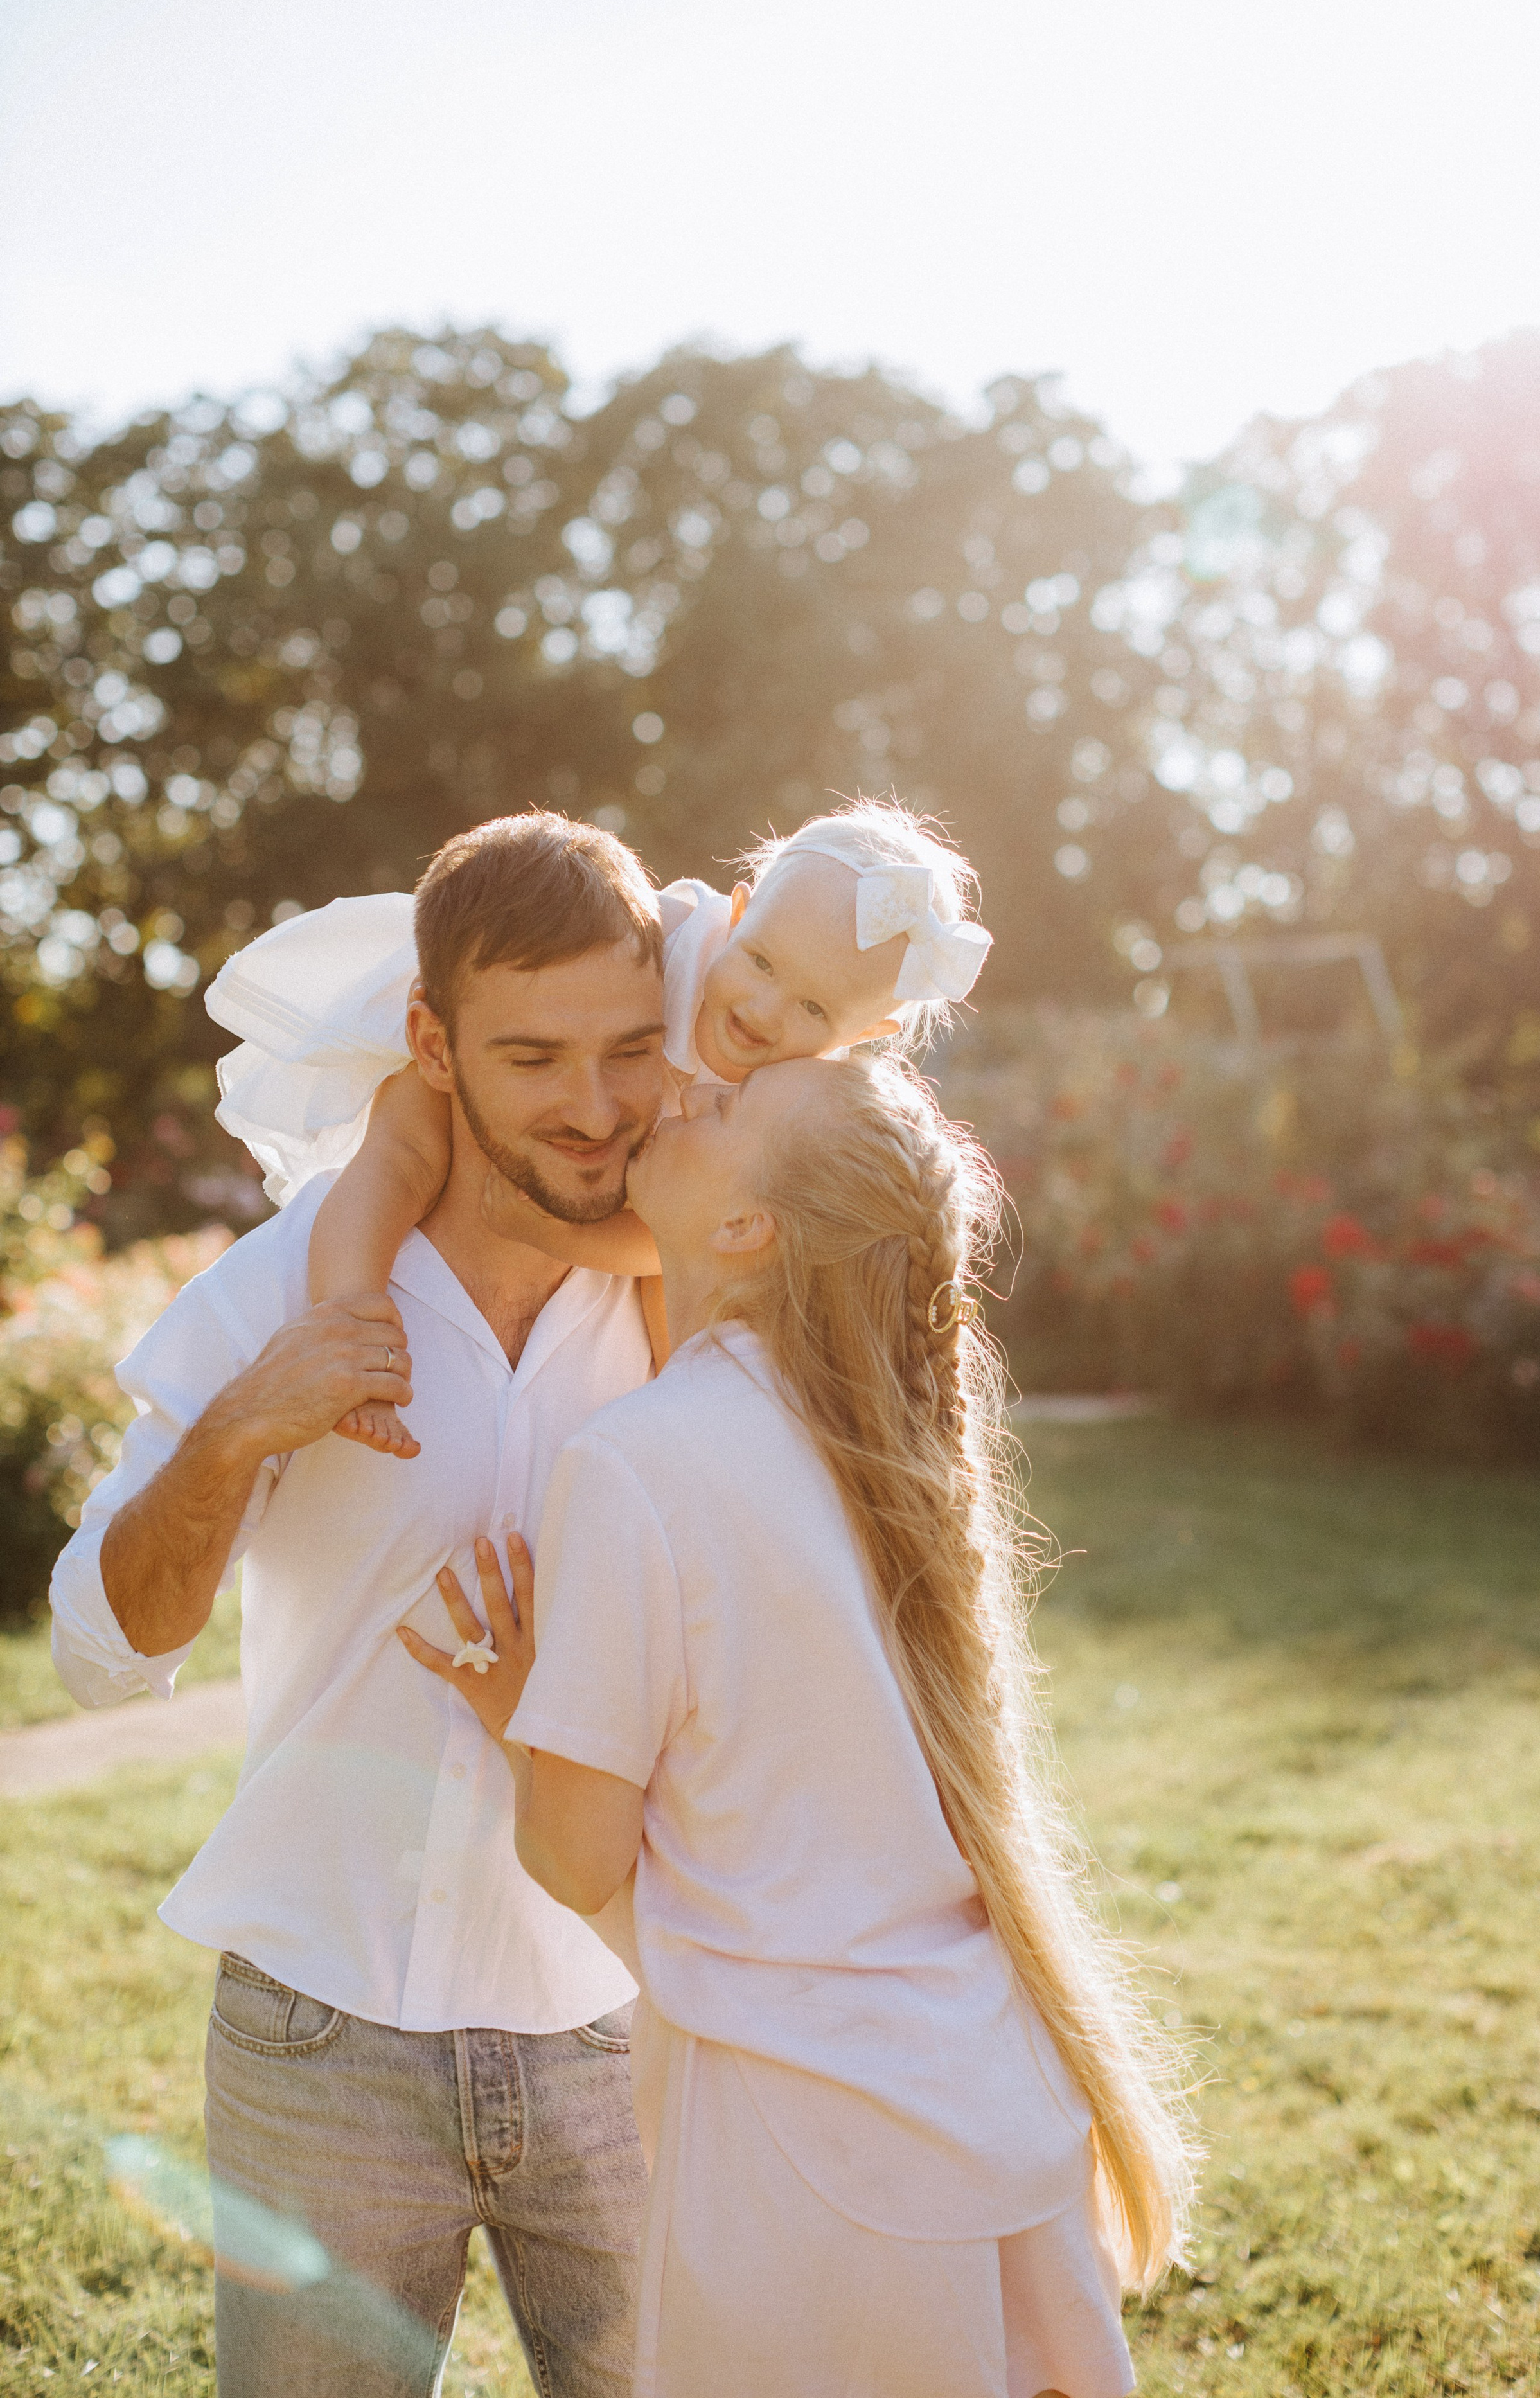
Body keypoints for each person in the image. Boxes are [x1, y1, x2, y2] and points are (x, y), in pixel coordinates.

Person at [404, 1054, 1196, 2398]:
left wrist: (516, 1704)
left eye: (721, 1109)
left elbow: (577, 1861)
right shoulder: (897, 1455)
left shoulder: (639, 1462)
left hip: (802, 2159)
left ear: (744, 1230)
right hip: (992, 2099)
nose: (677, 1092)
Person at [49, 813, 675, 2398]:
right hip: (318, 2034)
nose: (593, 1107)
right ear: (431, 1046)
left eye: (627, 1050)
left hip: (629, 2013)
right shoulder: (285, 1288)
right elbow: (97, 1655)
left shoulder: (697, 1283)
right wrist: (235, 1429)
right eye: (531, 1055)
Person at [205, 799, 992, 1455]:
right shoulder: (670, 938)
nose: (763, 1010)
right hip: (526, 1057)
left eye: (813, 1010)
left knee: (682, 1295)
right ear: (740, 913)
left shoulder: (794, 1105)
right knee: (404, 1142)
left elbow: (675, 1236)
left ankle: (668, 1436)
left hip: (637, 1203)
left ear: (865, 1032)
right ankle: (343, 1329)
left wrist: (563, 1237)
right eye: (759, 962)